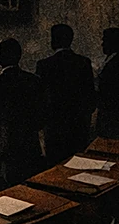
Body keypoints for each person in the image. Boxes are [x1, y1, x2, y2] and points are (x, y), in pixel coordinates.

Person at [0, 39, 47, 193]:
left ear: (1, 56)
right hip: (28, 147)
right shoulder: (33, 81)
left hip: (2, 149)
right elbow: (40, 118)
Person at [35, 24, 95, 164]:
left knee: (54, 167)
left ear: (54, 40)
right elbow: (90, 97)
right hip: (78, 126)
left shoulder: (44, 65)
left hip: (54, 127)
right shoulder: (83, 63)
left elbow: (40, 98)